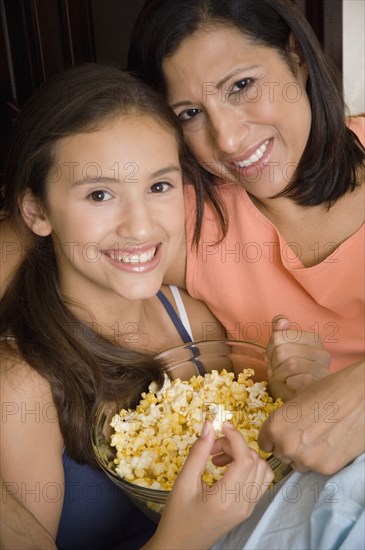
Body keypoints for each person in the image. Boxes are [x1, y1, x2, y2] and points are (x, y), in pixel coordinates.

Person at [0, 64, 275, 549]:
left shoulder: (194, 322)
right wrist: (182, 539)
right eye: (100, 194)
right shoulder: (23, 383)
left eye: (159, 186)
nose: (141, 227)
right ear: (36, 211)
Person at [127, 0, 365, 473]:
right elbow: (36, 238)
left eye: (241, 85)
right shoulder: (191, 221)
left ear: (296, 58)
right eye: (190, 113)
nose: (229, 139)